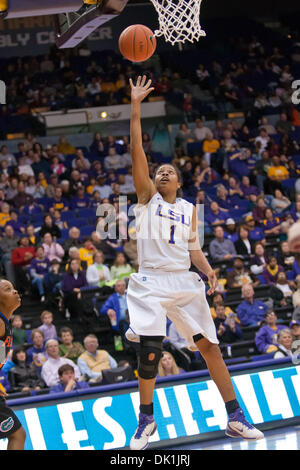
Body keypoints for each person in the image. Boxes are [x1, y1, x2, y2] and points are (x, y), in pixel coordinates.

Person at [126, 76, 263, 450]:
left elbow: (193, 250)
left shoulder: (189, 210)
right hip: (151, 281)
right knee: (151, 350)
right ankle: (145, 420)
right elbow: (137, 149)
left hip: (184, 281)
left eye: (169, 171)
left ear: (179, 181)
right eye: (158, 172)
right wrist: (136, 105)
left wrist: (207, 269)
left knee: (210, 348)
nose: (162, 172)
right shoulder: (145, 198)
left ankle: (235, 417)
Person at [0, 279, 26, 449]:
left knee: (17, 434)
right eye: (8, 289)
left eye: (14, 288)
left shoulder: (4, 323)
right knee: (18, 434)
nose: (15, 291)